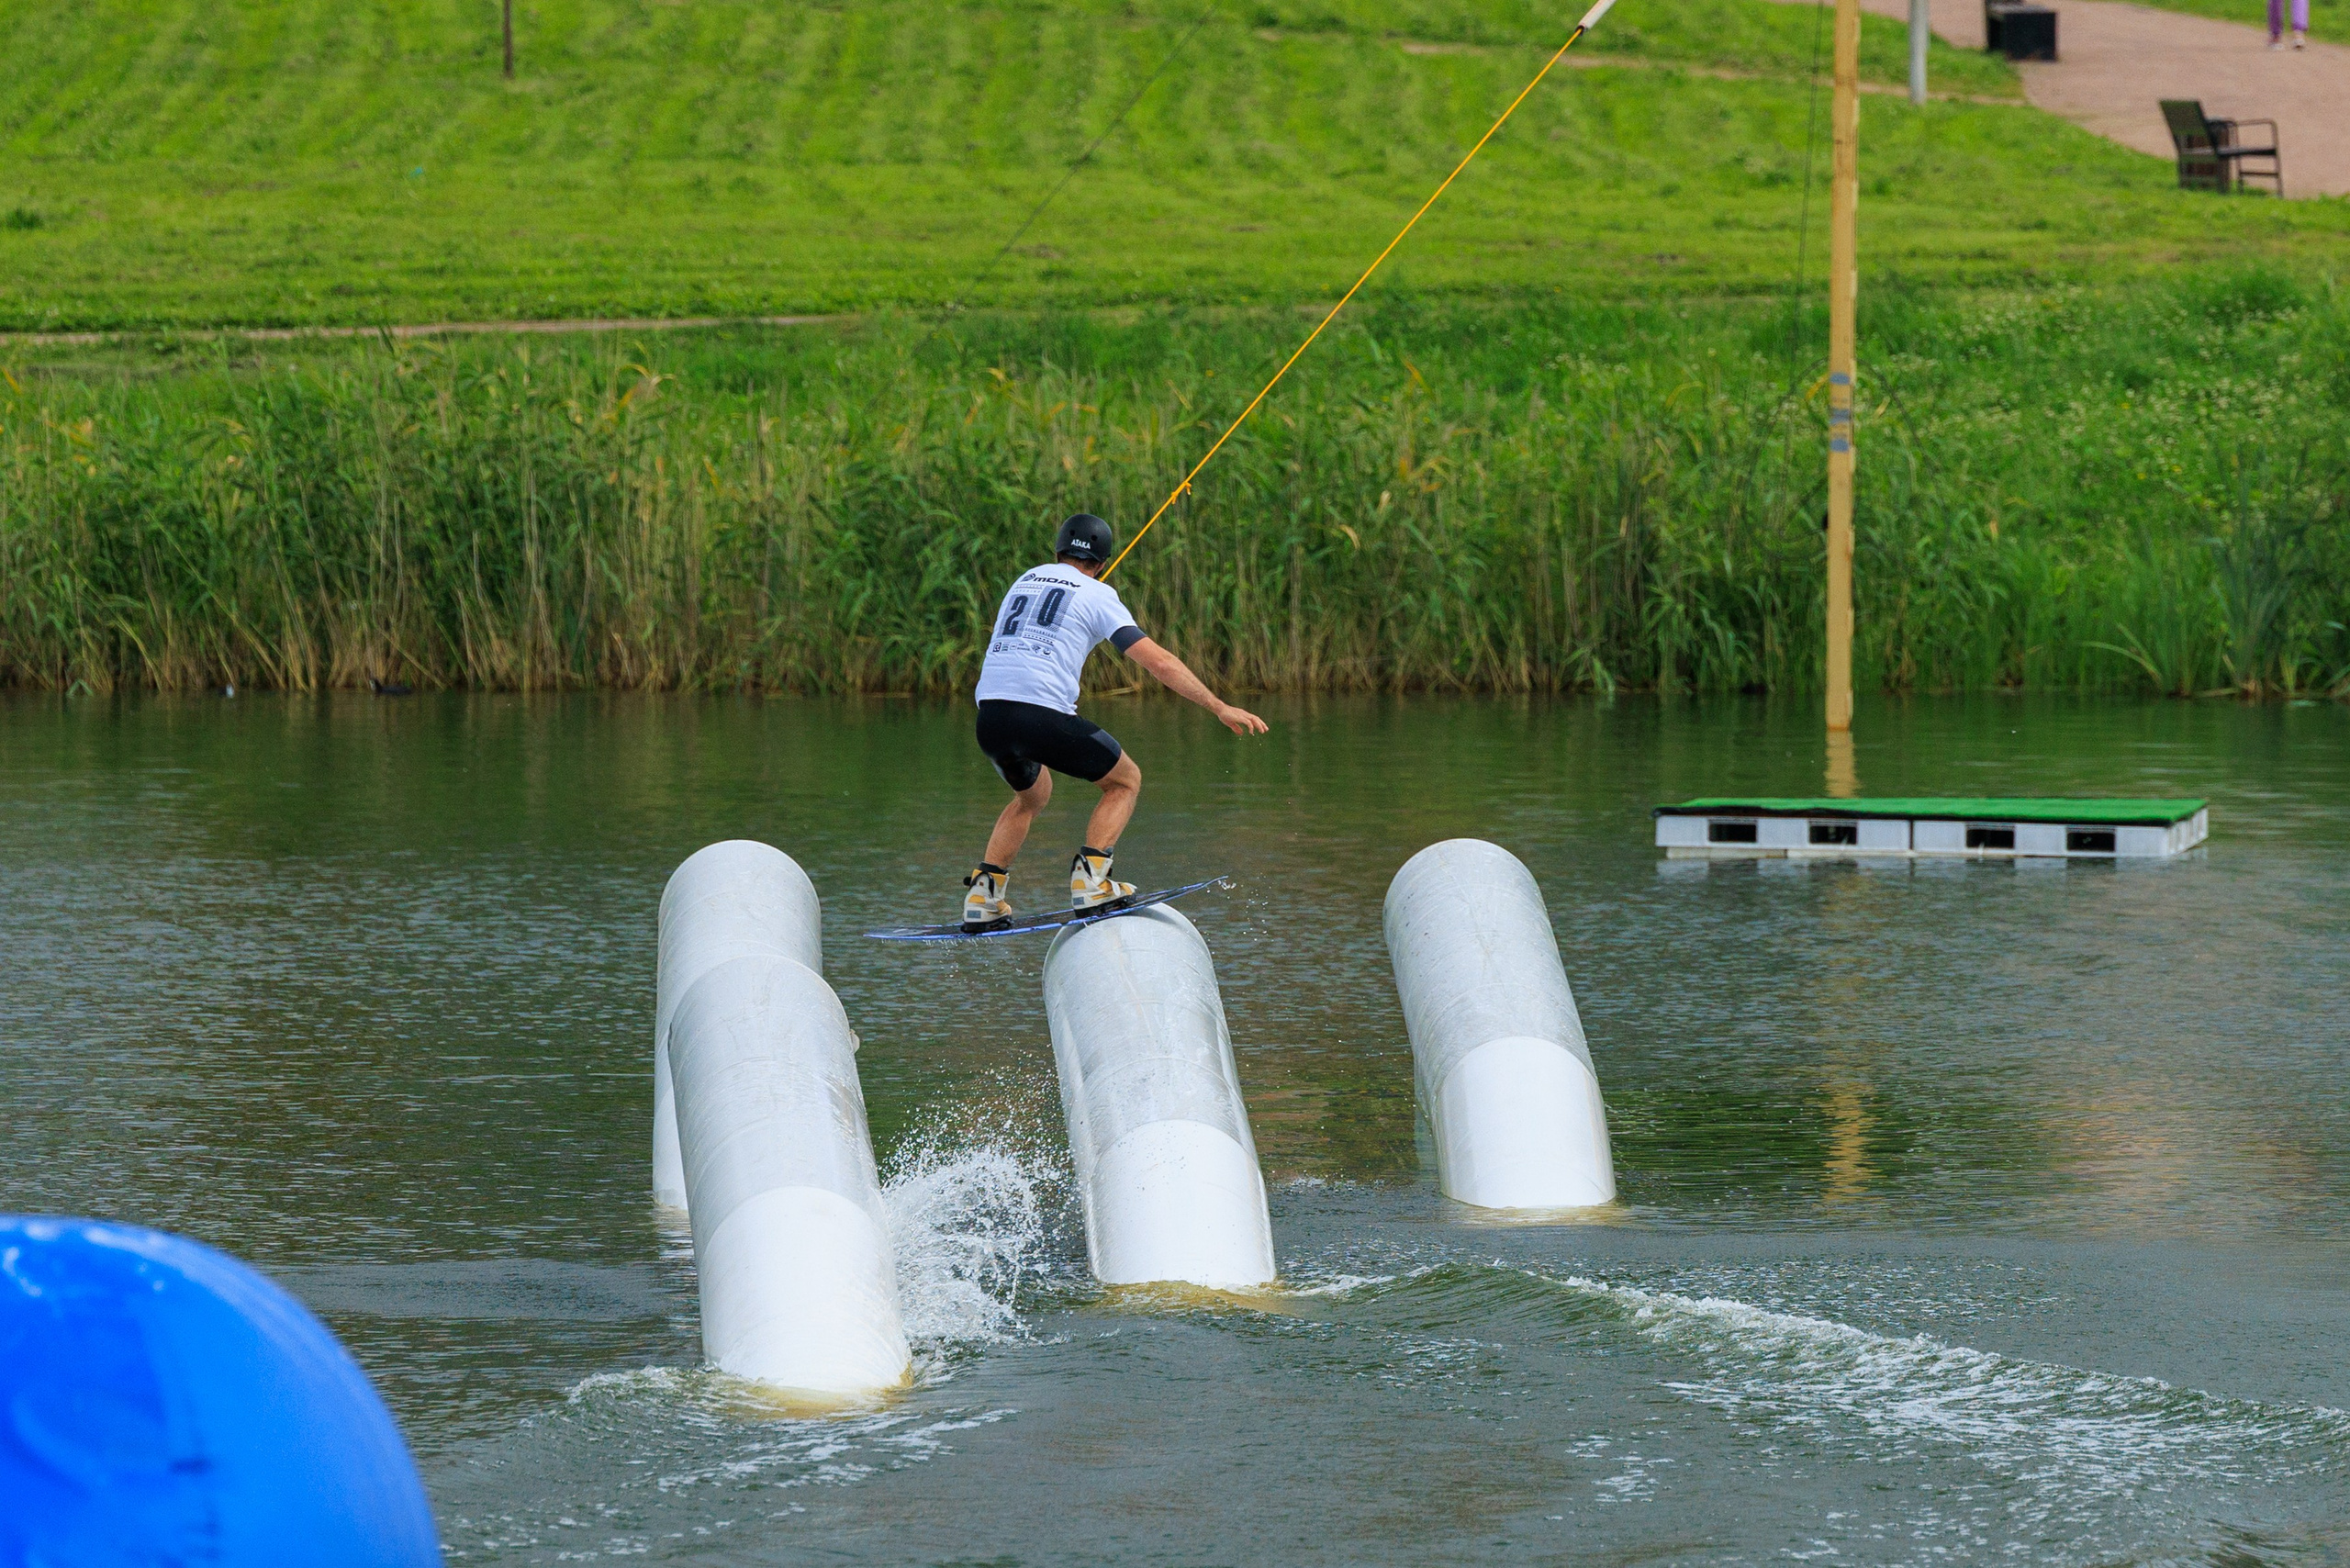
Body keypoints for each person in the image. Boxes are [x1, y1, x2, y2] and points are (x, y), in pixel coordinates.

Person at [961, 512, 1268, 930]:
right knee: (1124, 781)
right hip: (1041, 715)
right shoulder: (1100, 594)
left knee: (1033, 796)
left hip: (991, 718)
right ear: (1102, 562)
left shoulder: (1026, 579)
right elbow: (1157, 661)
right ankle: (1091, 883)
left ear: (1056, 552)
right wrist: (1219, 706)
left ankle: (984, 896)